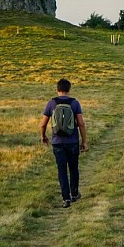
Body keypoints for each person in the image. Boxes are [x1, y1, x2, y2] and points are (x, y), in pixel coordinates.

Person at [40, 78, 87, 208]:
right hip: (72, 142)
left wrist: (43, 136)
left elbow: (43, 124)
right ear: (69, 89)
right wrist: (84, 141)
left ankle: (65, 198)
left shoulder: (51, 103)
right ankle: (75, 193)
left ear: (57, 89)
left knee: (62, 170)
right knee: (73, 168)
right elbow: (81, 124)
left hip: (57, 143)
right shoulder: (75, 103)